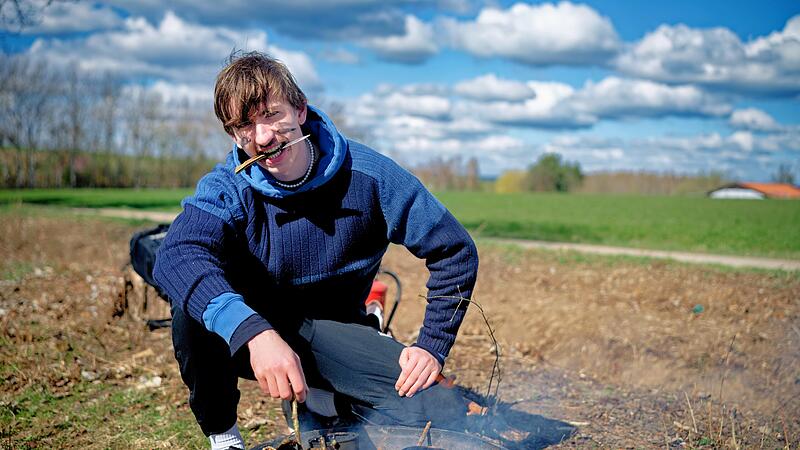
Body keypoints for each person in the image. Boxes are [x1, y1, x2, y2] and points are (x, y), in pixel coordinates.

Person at [153, 51, 479, 450]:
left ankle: (323, 399)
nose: (262, 137)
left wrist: (431, 345)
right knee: (193, 306)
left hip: (333, 332)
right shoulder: (228, 188)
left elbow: (455, 250)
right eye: (243, 125)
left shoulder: (370, 176)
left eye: (271, 114)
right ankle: (224, 436)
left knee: (435, 407)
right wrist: (253, 332)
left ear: (300, 109)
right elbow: (176, 255)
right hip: (249, 335)